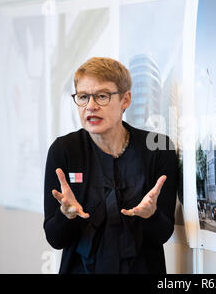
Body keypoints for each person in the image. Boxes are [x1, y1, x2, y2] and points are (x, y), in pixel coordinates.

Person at [43, 57, 178, 274]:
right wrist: (65, 215)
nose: (91, 106)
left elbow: (163, 233)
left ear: (126, 99)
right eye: (83, 97)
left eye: (102, 96)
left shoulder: (159, 148)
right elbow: (55, 238)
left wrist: (150, 215)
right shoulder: (64, 150)